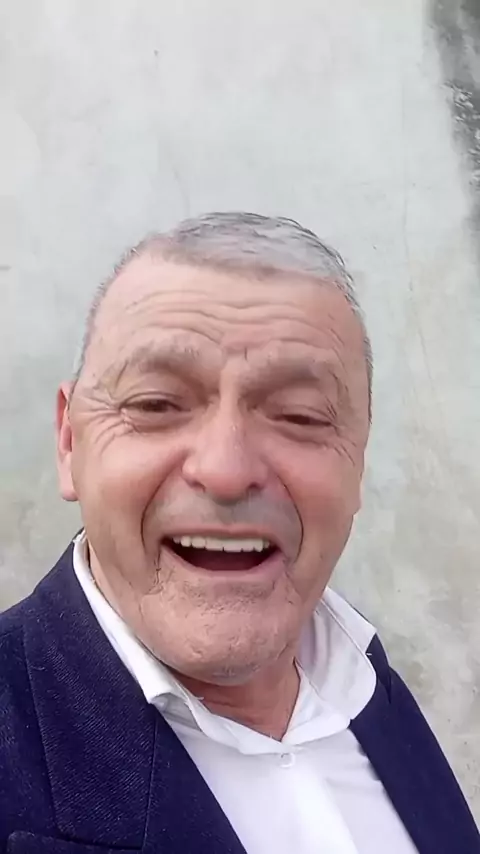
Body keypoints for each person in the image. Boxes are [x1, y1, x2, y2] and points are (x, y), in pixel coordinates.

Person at [0, 212, 477, 854]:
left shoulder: (365, 680)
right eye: (155, 404)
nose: (225, 471)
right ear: (69, 442)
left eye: (300, 416)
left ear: (358, 461)